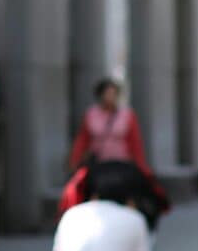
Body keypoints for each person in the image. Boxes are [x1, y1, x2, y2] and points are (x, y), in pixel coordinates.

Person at [65, 76, 170, 217]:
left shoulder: (127, 115)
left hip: (122, 164)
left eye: (114, 94)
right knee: (81, 192)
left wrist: (141, 165)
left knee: (135, 194)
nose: (111, 97)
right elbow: (83, 140)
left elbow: (135, 142)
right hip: (99, 164)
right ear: (100, 95)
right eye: (108, 94)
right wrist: (75, 162)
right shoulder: (91, 115)